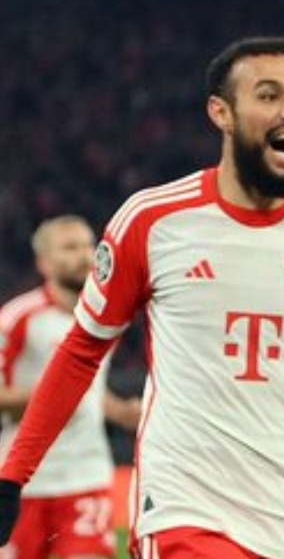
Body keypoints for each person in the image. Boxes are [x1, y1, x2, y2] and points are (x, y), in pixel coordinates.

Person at [0, 37, 284, 559]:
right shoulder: (154, 222)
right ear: (221, 112)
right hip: (184, 510)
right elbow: (82, 351)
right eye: (269, 95)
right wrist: (13, 474)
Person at [0, 215, 142, 559]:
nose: (84, 256)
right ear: (43, 262)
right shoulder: (19, 318)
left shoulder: (103, 318)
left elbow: (89, 388)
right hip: (26, 481)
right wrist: (49, 397)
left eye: (88, 245)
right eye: (69, 248)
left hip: (86, 474)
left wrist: (121, 413)